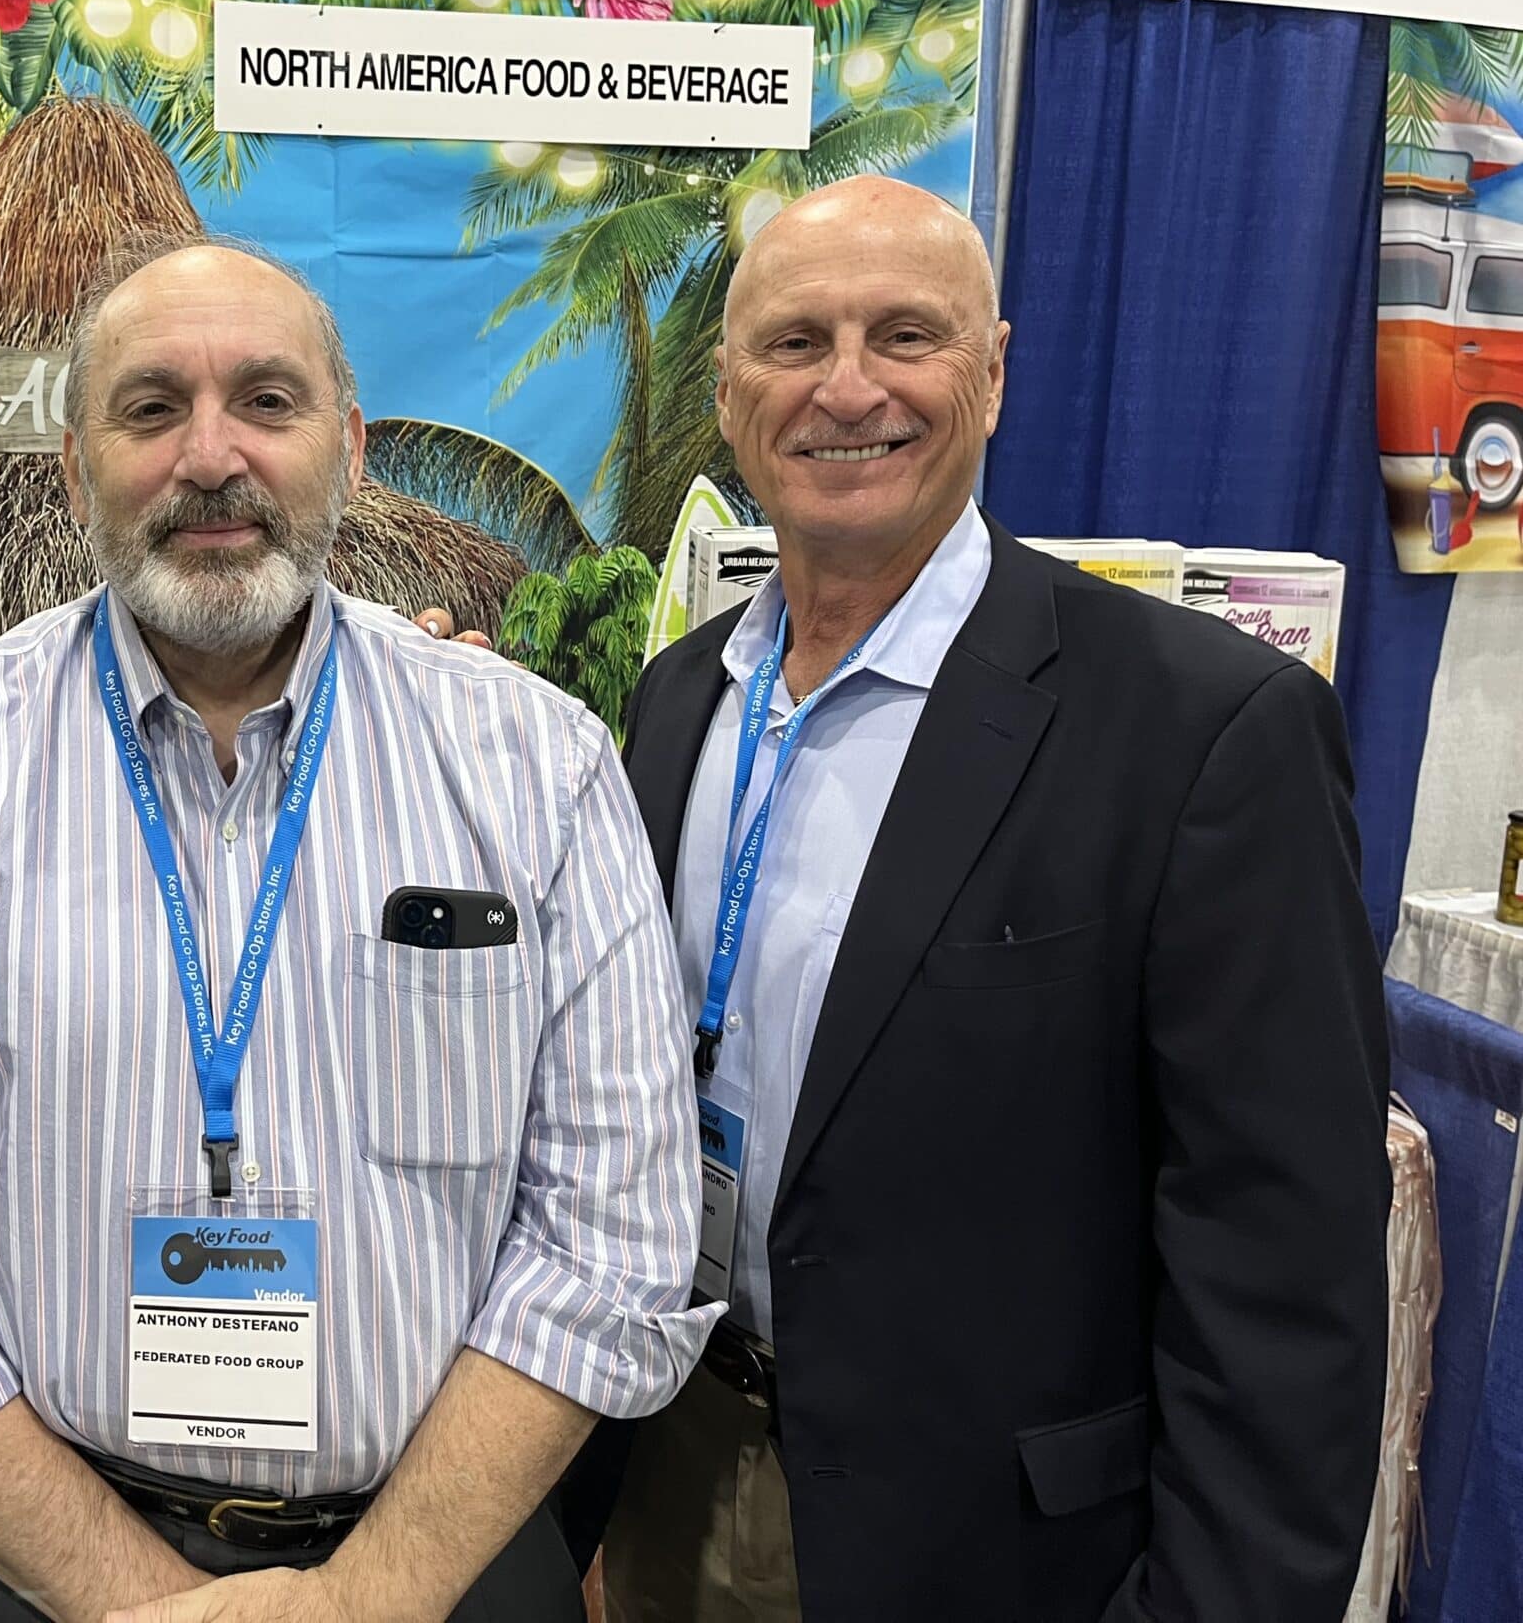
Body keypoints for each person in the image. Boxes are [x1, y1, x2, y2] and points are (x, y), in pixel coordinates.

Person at [0, 233, 718, 1623]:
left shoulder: (537, 768)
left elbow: (609, 1238)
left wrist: (364, 1599)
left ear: (351, 449)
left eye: (267, 401)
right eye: (151, 409)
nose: (210, 457)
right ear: (76, 468)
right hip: (13, 1566)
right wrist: (130, 1595)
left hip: (437, 1563)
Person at [590, 176, 1389, 1621]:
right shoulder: (679, 698)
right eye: (794, 342)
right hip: (674, 1474)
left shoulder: (1204, 729)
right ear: (725, 393)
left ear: (997, 370)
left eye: (906, 335)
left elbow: (1286, 1276)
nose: (848, 388)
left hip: (996, 1554)